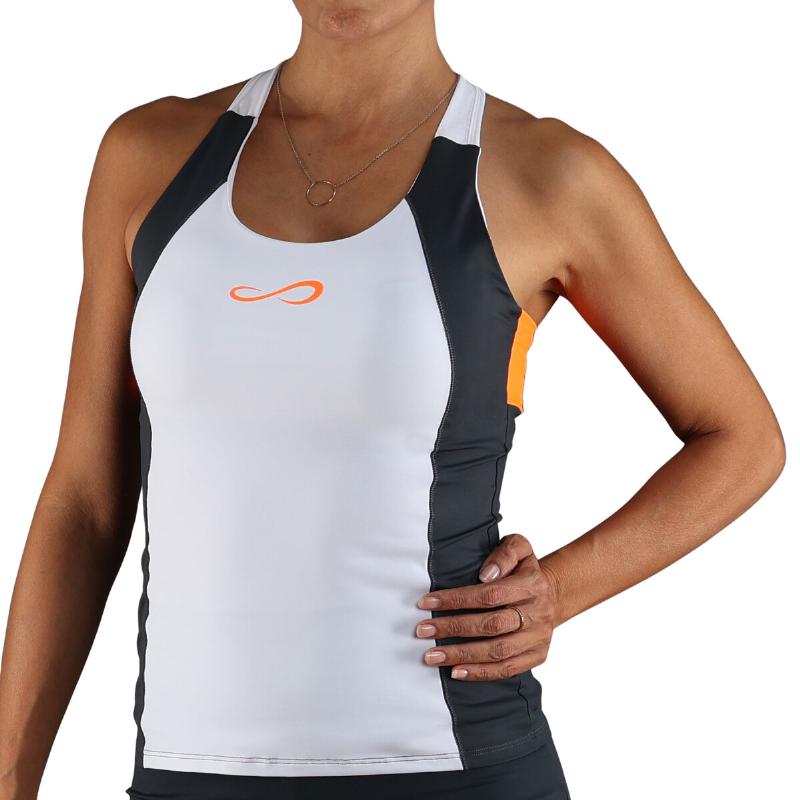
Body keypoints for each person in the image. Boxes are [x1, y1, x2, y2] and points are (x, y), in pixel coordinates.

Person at [0, 2, 785, 799]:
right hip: (186, 773)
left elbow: (742, 437)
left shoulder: (546, 174)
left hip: (457, 769)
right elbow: (85, 502)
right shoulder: (149, 157)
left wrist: (557, 592)